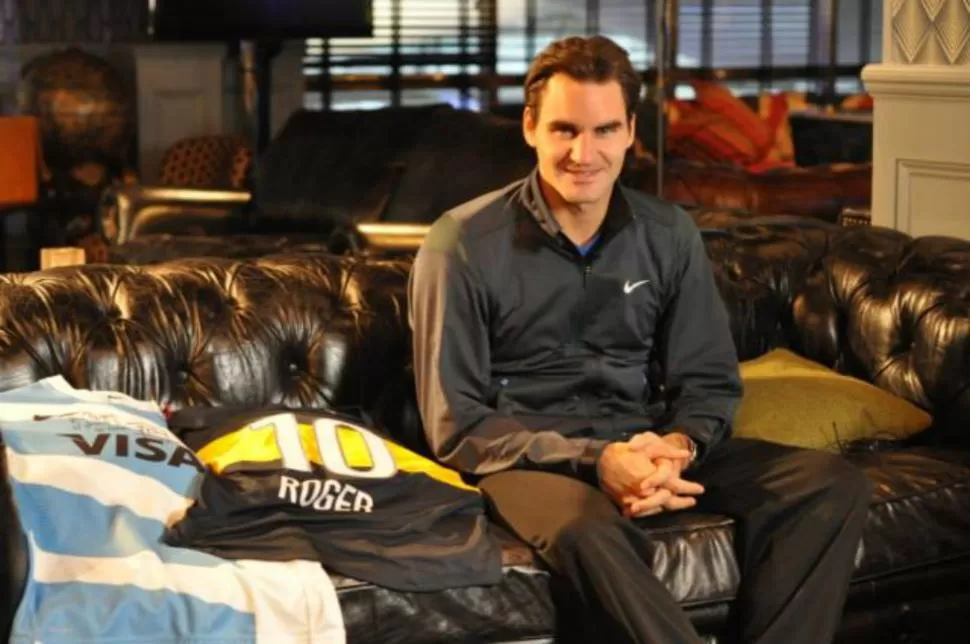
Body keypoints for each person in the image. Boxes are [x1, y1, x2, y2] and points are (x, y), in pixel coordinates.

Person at [407, 35, 871, 644]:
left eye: (603, 131)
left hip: (640, 434)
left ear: (630, 132)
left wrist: (676, 447)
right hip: (524, 455)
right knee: (585, 529)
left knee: (828, 485)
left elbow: (706, 379)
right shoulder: (460, 243)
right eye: (565, 129)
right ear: (530, 127)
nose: (583, 153)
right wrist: (599, 463)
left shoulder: (669, 233)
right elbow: (458, 425)